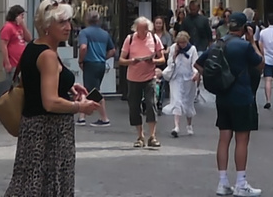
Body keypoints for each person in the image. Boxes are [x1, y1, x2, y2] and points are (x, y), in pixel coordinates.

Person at [3, 0, 105, 197]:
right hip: (48, 132)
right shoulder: (48, 55)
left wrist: (67, 85)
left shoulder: (35, 46)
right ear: (47, 26)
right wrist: (79, 107)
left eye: (69, 21)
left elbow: (34, 81)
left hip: (34, 129)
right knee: (45, 186)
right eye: (62, 22)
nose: (68, 27)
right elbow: (49, 102)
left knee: (29, 184)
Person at [206, 15, 264, 197]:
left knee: (224, 138)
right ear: (244, 27)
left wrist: (220, 81)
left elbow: (200, 64)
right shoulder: (244, 45)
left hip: (223, 97)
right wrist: (253, 41)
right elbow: (260, 64)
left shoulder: (217, 44)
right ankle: (241, 182)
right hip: (241, 95)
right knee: (242, 139)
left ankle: (222, 182)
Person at [120, 16, 166, 149]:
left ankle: (152, 136)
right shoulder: (129, 39)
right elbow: (122, 60)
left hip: (149, 77)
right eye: (141, 30)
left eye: (146, 29)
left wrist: (154, 61)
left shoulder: (154, 38)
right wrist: (131, 61)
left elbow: (162, 58)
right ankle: (140, 136)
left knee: (151, 104)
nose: (143, 32)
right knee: (134, 107)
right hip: (133, 78)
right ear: (136, 29)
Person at [77, 12, 116, 127]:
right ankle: (82, 117)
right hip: (101, 64)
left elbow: (83, 47)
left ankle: (104, 118)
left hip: (90, 63)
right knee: (89, 89)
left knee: (94, 90)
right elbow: (112, 50)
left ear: (87, 20)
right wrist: (103, 57)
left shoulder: (84, 33)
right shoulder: (105, 34)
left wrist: (80, 60)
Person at [162, 31, 201, 138]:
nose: (182, 45)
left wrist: (195, 74)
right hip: (176, 78)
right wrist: (174, 56)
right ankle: (176, 127)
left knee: (188, 102)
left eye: (184, 43)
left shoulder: (192, 49)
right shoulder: (174, 48)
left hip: (188, 79)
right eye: (180, 43)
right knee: (177, 101)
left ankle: (189, 125)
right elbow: (170, 63)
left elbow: (195, 63)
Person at [2, 5, 30, 79]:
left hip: (21, 63)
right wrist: (7, 63)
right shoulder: (8, 27)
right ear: (16, 15)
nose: (23, 18)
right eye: (21, 15)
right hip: (13, 63)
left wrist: (23, 25)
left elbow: (29, 38)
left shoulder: (20, 27)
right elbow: (3, 46)